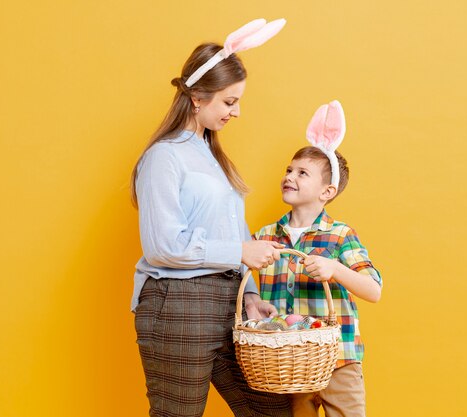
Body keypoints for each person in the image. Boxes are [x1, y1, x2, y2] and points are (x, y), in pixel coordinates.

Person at [130, 19, 292, 417]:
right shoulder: (163, 157)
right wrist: (239, 251)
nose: (236, 112)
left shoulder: (215, 159)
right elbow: (163, 246)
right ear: (198, 97)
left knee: (271, 410)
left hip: (228, 302)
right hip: (178, 303)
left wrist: (250, 294)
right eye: (229, 101)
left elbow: (232, 230)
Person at [253, 101, 383, 417]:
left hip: (339, 358)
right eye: (288, 170)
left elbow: (373, 290)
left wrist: (334, 268)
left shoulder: (340, 235)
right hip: (288, 364)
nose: (290, 176)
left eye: (302, 173)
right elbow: (241, 282)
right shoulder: (265, 235)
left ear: (327, 191)